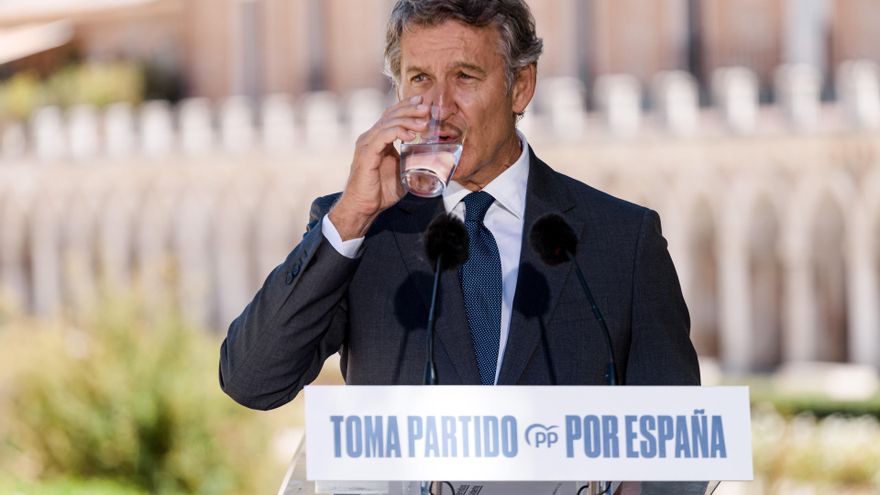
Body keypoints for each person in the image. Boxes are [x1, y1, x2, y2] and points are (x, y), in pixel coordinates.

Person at [219, 0, 700, 411]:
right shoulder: (362, 231)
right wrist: (351, 217)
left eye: (465, 77)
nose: (439, 107)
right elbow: (252, 381)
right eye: (420, 79)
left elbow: (676, 438)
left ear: (521, 86)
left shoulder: (623, 239)